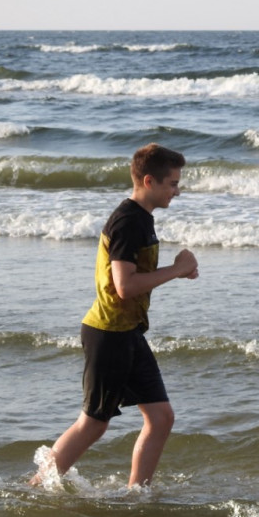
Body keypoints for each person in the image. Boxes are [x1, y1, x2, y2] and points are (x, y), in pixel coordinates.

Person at [32, 143, 199, 488]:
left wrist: (178, 271)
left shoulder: (142, 219)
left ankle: (137, 495)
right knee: (94, 423)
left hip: (128, 332)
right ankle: (36, 485)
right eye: (172, 184)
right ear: (149, 181)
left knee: (161, 417)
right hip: (108, 333)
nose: (177, 191)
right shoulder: (128, 221)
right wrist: (177, 270)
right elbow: (124, 286)